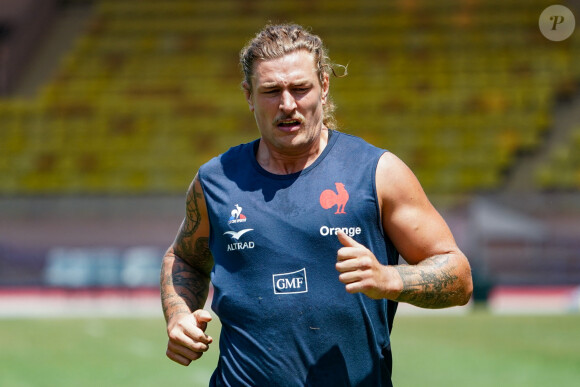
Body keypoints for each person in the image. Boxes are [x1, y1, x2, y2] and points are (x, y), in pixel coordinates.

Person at [160, 24, 473, 386]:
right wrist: (179, 314)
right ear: (248, 95)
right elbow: (183, 257)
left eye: (300, 88)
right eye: (271, 91)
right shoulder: (215, 180)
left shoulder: (376, 173)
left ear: (324, 86)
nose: (287, 104)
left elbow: (459, 277)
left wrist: (389, 278)